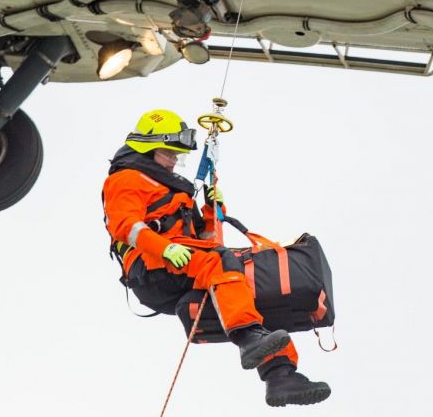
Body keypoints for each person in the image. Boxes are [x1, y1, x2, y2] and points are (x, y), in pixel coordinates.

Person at [102, 109, 331, 407]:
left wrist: (211, 211)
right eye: (169, 153)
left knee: (244, 281)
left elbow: (207, 244)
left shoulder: (173, 190)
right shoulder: (127, 178)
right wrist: (164, 249)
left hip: (179, 264)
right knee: (222, 262)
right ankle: (249, 338)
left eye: (177, 155)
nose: (174, 161)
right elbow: (125, 226)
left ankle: (280, 375)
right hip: (152, 268)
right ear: (150, 147)